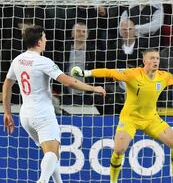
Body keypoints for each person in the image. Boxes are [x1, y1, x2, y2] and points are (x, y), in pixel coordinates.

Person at [70, 48, 173, 183]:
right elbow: (109, 72)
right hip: (130, 119)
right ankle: (113, 181)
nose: (156, 61)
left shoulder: (163, 76)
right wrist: (85, 73)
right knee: (119, 150)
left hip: (151, 119)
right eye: (152, 58)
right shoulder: (132, 74)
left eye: (157, 58)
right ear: (145, 61)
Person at [2, 25, 106, 183]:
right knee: (52, 153)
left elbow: (7, 84)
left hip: (25, 116)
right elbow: (70, 82)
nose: (46, 40)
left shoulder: (18, 60)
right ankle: (42, 181)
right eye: (44, 38)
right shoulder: (43, 61)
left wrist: (8, 112)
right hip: (42, 114)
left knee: (51, 152)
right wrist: (93, 88)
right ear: (38, 42)